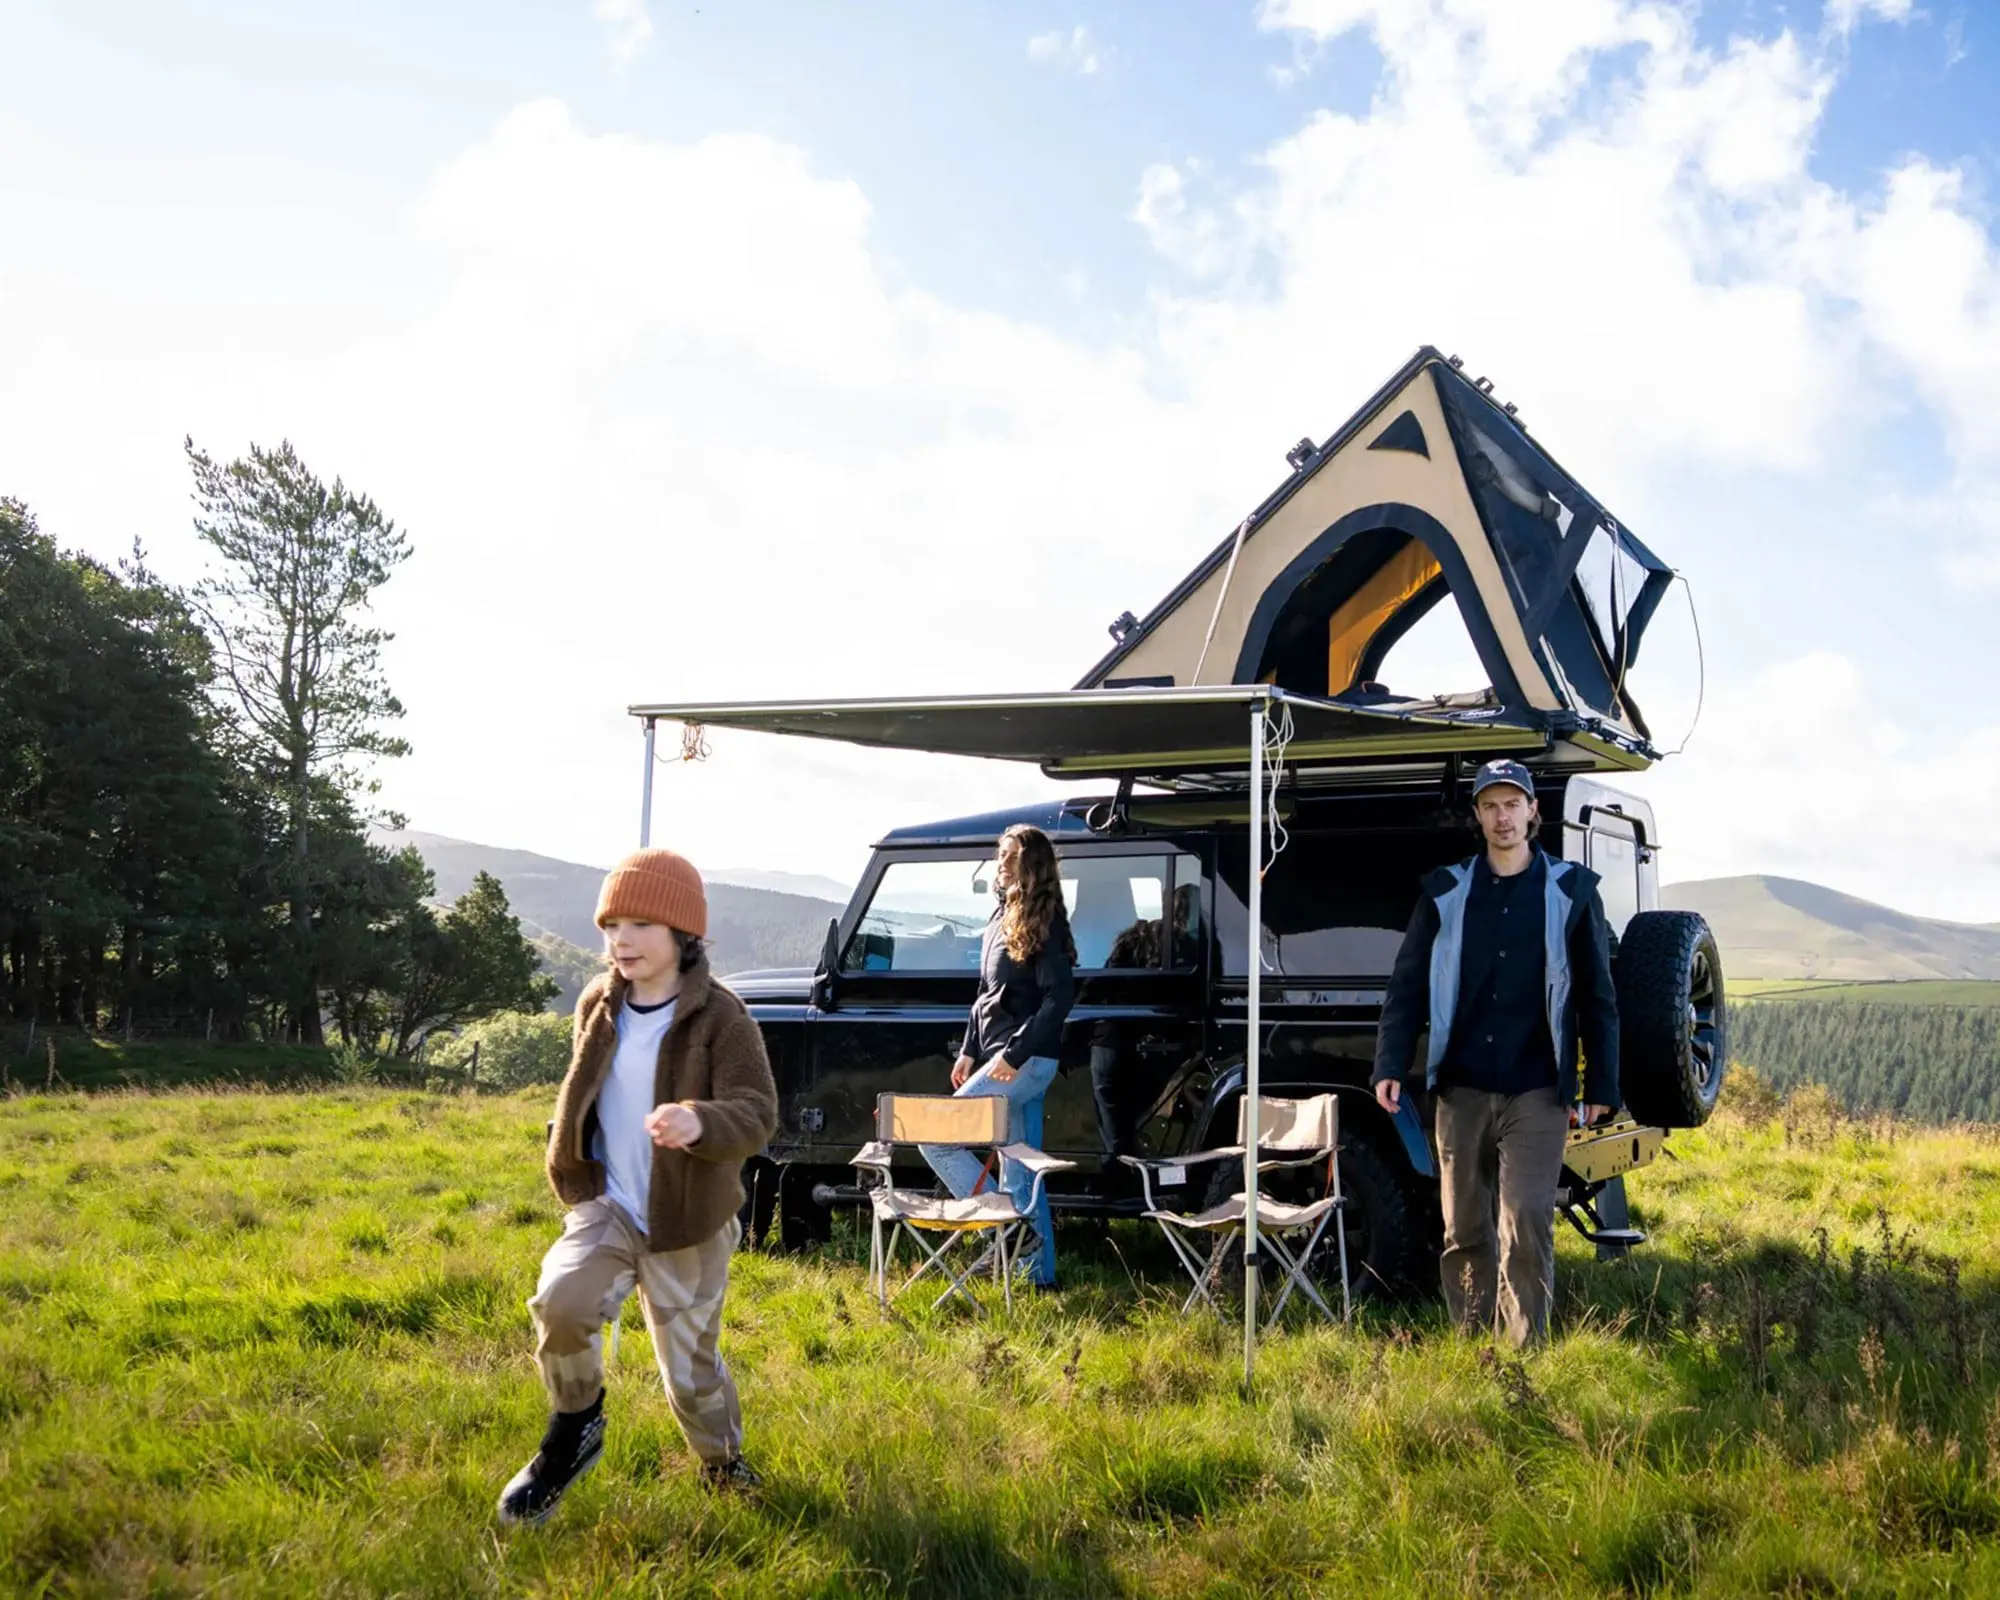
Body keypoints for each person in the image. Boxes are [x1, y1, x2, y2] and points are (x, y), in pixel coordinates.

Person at [498, 847, 778, 1525]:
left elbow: (759, 1114)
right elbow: (586, 1091)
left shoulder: (723, 1017)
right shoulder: (599, 1003)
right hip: (610, 1204)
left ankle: (722, 1463)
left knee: (689, 1373)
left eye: (641, 924)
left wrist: (698, 1120)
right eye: (611, 925)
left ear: (683, 934)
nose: (620, 939)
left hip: (687, 1220)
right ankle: (575, 1430)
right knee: (561, 1301)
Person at [1371, 759, 1620, 1347]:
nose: (1503, 816)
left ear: (1533, 812)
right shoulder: (1446, 891)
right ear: (1478, 816)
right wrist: (1389, 1063)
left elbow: (1597, 997)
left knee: (1527, 1219)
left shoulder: (1571, 893)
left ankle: (1523, 1352)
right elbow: (1405, 985)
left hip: (1538, 1087)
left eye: (1514, 804)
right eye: (1491, 805)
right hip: (1460, 1088)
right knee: (1463, 1228)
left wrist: (1603, 1089)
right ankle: (1472, 1344)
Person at [919, 823, 1077, 1290]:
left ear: (1033, 866)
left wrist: (1014, 1055)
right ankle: (1037, 1277)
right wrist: (970, 1049)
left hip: (1024, 1062)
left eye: (1011, 856)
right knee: (1022, 1169)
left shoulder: (1045, 922)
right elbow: (985, 994)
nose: (1001, 863)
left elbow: (1060, 998)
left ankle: (1011, 1230)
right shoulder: (1000, 916)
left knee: (937, 1136)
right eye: (1000, 855)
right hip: (999, 1057)